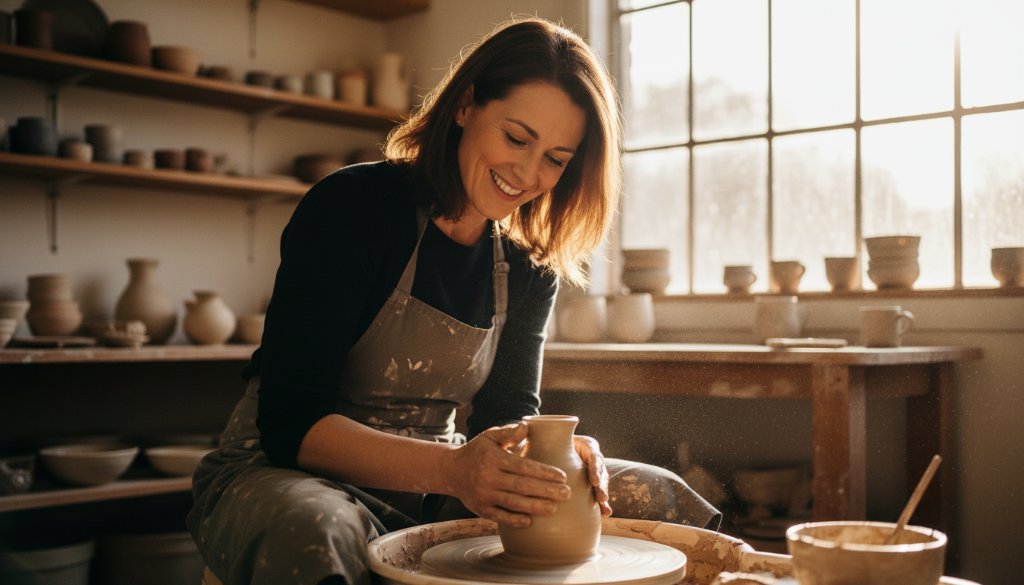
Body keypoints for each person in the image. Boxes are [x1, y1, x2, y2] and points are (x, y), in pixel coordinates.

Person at [187, 17, 720, 585]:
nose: (527, 173)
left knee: (657, 496)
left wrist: (547, 452)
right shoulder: (354, 208)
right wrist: (453, 470)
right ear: (466, 105)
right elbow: (291, 424)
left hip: (440, 482)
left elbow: (505, 416)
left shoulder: (527, 260)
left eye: (556, 158)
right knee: (319, 529)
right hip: (282, 475)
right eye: (516, 138)